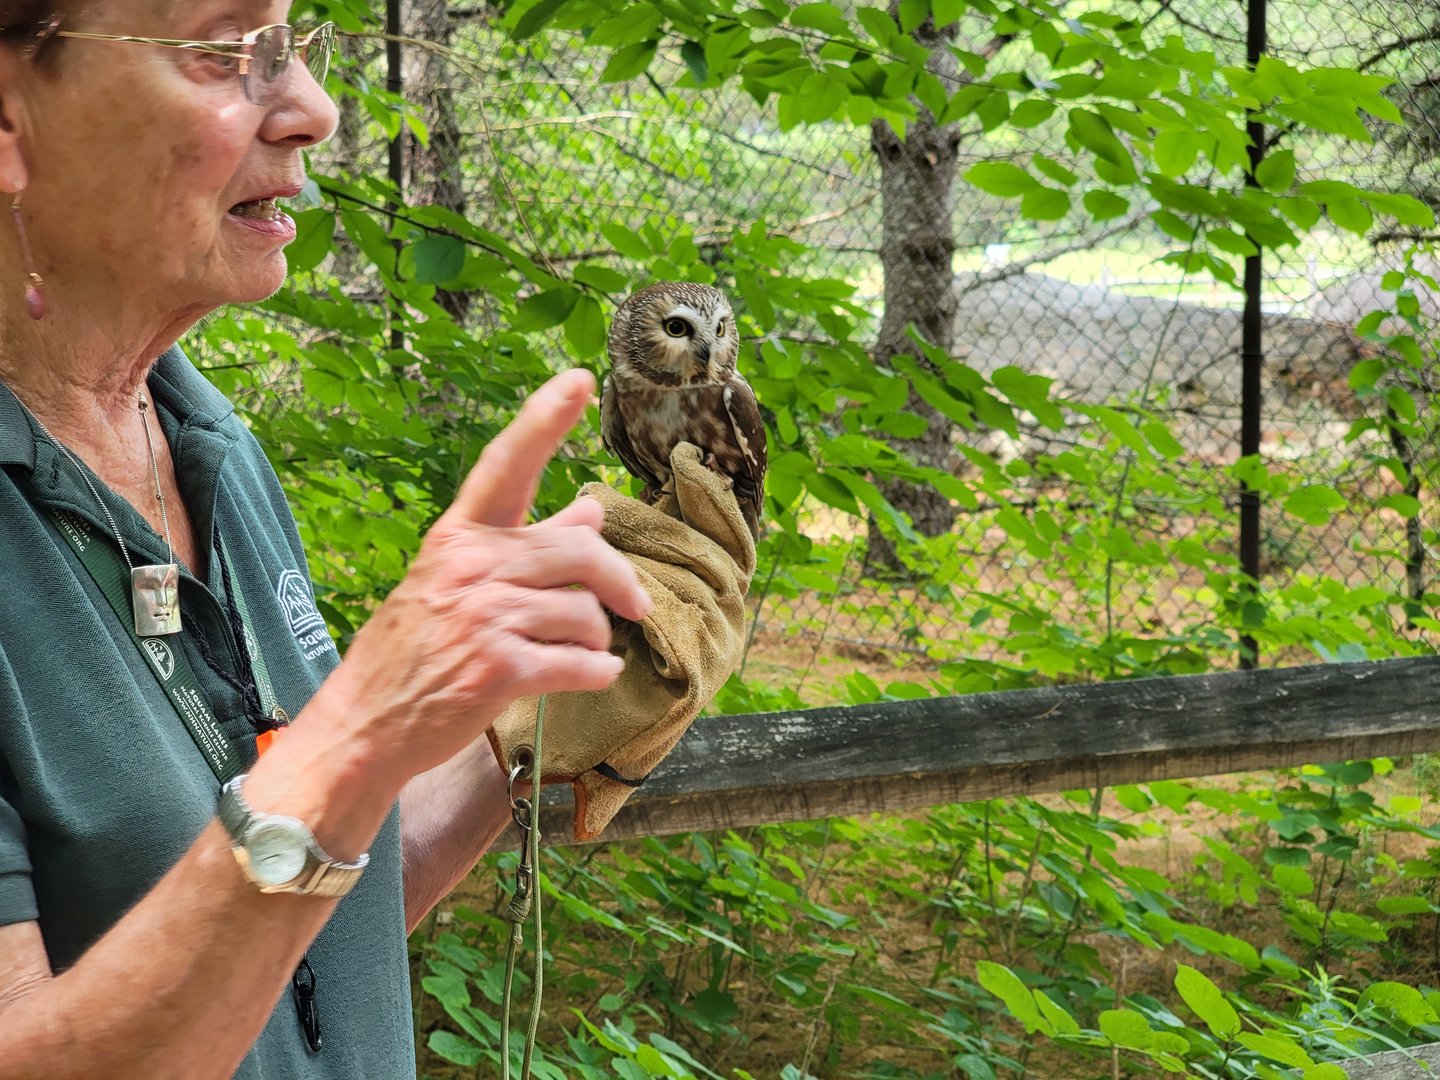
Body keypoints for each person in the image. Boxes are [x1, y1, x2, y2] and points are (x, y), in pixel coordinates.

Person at [0, 2, 753, 1077]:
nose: (314, 108)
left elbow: (305, 927)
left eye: (295, 45)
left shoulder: (207, 446)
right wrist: (357, 733)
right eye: (226, 49)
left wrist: (532, 708)